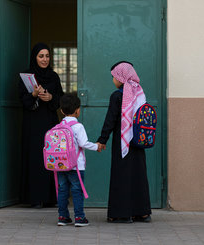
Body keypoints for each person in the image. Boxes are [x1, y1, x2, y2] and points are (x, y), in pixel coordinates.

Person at [97, 61, 152, 223]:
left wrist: (102, 139)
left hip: (123, 143)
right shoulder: (139, 92)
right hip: (138, 142)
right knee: (138, 175)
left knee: (122, 176)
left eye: (114, 76)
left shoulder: (117, 96)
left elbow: (111, 120)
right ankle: (142, 212)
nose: (113, 80)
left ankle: (122, 213)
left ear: (120, 77)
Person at [19, 42, 64, 208]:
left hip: (49, 123)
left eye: (47, 56)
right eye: (41, 56)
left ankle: (50, 197)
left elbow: (61, 99)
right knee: (35, 158)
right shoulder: (27, 76)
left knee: (51, 157)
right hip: (32, 125)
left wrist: (51, 98)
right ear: (35, 57)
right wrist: (34, 94)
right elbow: (23, 100)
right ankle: (35, 198)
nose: (44, 59)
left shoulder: (53, 77)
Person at [57, 94, 103, 227]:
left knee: (63, 190)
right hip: (76, 166)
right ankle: (79, 217)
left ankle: (63, 216)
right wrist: (97, 146)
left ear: (61, 111)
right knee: (77, 191)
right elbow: (83, 143)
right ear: (78, 110)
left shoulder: (60, 126)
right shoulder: (78, 126)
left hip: (61, 165)